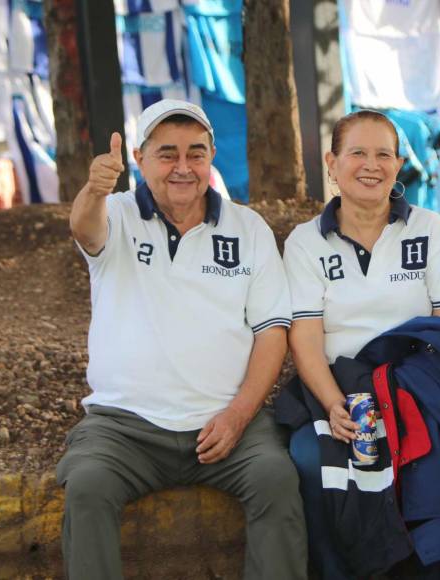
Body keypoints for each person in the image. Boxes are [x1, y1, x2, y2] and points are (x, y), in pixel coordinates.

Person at [58, 99, 306, 579]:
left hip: (227, 425)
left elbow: (273, 329)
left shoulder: (248, 227)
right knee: (87, 486)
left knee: (276, 479)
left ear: (212, 154)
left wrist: (238, 415)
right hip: (124, 428)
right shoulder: (118, 213)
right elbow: (84, 228)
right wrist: (92, 189)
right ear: (140, 157)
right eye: (167, 153)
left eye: (196, 153)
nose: (183, 167)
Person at [281, 109, 440, 579]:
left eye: (384, 154)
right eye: (358, 153)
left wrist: (418, 394)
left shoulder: (429, 230)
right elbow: (304, 335)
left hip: (418, 386)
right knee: (311, 459)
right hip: (337, 390)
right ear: (332, 162)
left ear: (398, 162)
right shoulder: (306, 242)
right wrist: (332, 404)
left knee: (435, 458)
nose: (372, 165)